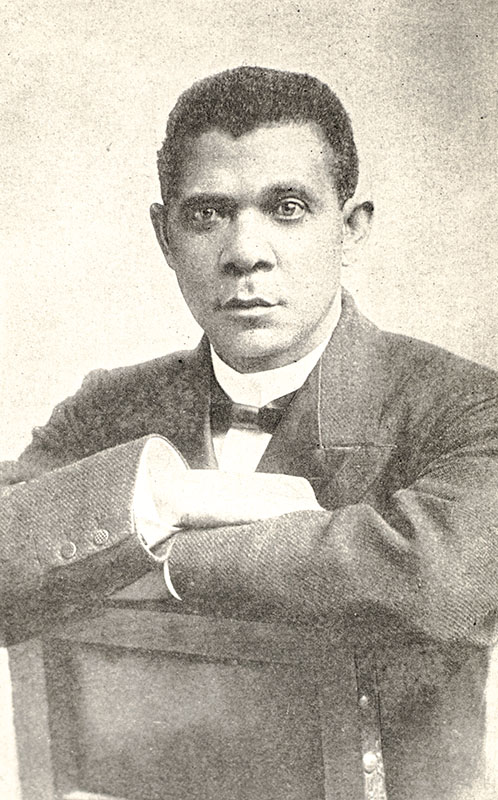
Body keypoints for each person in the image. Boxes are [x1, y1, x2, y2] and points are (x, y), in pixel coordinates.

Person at [1, 66, 498, 799]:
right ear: (164, 235)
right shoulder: (108, 409)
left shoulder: (465, 406)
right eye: (207, 214)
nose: (245, 252)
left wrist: (165, 552)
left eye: (287, 208)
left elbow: (442, 582)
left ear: (351, 227)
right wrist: (159, 499)